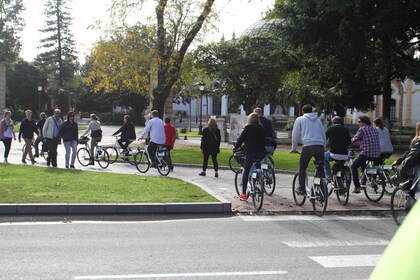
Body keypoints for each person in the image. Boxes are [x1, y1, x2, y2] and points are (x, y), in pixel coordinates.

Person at [291, 105, 326, 195]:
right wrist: (324, 146)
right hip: (319, 145)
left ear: (302, 111)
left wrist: (294, 148)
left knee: (303, 167)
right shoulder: (318, 120)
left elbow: (295, 135)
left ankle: (301, 187)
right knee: (320, 167)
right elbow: (323, 134)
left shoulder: (300, 119)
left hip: (308, 146)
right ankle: (322, 187)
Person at [234, 113, 266, 201]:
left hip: (251, 152)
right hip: (261, 152)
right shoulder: (261, 128)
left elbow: (241, 139)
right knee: (257, 167)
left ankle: (243, 193)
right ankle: (259, 179)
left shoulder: (248, 128)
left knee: (246, 171)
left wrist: (236, 147)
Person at [350, 115, 380, 193]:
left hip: (367, 153)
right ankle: (367, 180)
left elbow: (355, 139)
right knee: (363, 163)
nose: (359, 123)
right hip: (376, 153)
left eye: (359, 122)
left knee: (353, 166)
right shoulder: (374, 129)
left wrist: (346, 144)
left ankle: (357, 186)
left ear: (363, 122)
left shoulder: (362, 129)